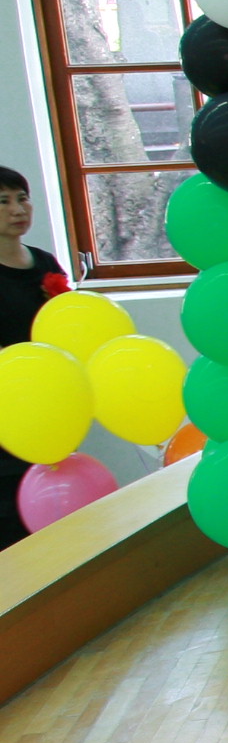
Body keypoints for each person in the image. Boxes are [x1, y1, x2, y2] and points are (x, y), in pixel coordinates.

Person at [0, 166, 72, 547]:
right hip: (7, 408)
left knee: (51, 500)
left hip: (49, 405)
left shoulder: (45, 263)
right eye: (3, 202)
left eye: (22, 198)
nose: (18, 209)